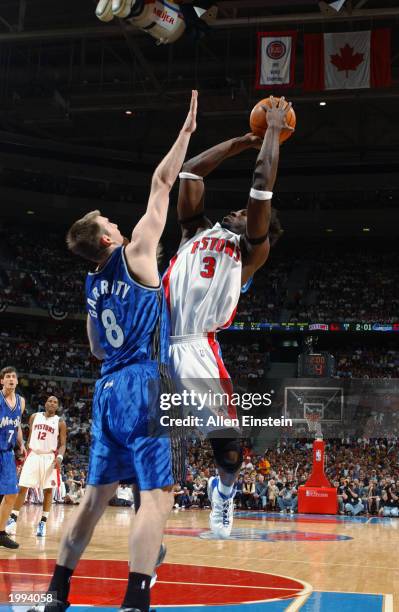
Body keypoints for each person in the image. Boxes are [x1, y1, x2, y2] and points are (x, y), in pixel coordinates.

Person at [30, 91, 198, 612]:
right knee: (157, 496)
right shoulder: (136, 252)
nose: (118, 225)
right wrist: (186, 132)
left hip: (107, 390)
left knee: (95, 497)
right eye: (110, 224)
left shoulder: (91, 285)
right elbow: (162, 183)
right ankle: (136, 599)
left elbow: (97, 346)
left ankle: (57, 591)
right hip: (146, 382)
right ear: (105, 240)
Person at [163, 96, 291, 537]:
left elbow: (261, 186)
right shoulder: (194, 230)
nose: (235, 211)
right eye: (236, 210)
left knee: (229, 444)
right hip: (156, 338)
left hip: (197, 345)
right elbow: (192, 171)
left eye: (243, 213)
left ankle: (224, 494)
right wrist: (240, 140)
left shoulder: (252, 249)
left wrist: (273, 131)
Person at [6, 395, 67, 538]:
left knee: (47, 491)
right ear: (45, 404)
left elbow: (63, 444)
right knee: (22, 488)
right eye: (50, 401)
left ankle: (43, 523)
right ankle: (13, 520)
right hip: (33, 455)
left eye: (55, 402)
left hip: (49, 457)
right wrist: (25, 451)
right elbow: (31, 436)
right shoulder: (34, 417)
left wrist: (59, 457)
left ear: (57, 407)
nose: (52, 403)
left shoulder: (60, 422)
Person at [0, 366, 27, 549]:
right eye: (7, 376)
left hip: (7, 452)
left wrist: (22, 443)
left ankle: (1, 533)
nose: (11, 379)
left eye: (13, 377)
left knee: (11, 494)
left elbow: (17, 425)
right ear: (1, 381)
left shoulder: (21, 402)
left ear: (17, 381)